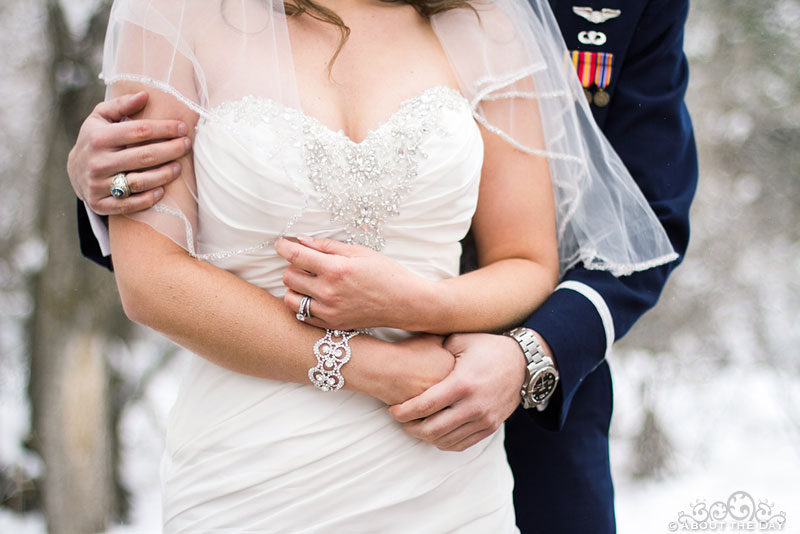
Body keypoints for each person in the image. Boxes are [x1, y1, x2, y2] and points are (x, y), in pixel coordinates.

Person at [70, 0, 695, 532]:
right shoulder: (174, 15)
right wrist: (104, 194)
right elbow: (155, 268)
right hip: (253, 455)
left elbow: (639, 222)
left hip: (486, 432)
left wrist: (510, 346)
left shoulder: (491, 20)